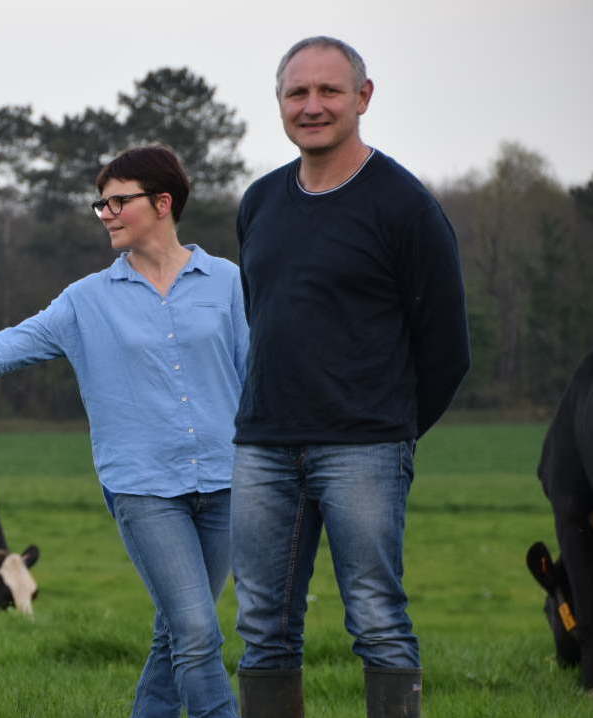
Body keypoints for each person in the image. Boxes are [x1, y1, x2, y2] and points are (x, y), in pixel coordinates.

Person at [0, 144, 248, 718]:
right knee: (196, 630)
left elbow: (257, 374)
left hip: (226, 481)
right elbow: (8, 345)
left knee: (178, 632)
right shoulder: (86, 300)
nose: (106, 213)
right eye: (101, 204)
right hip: (144, 488)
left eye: (118, 201)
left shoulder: (229, 284)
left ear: (163, 203)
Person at [230, 36, 470, 718]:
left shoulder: (403, 206)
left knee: (375, 617)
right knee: (261, 626)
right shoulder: (259, 202)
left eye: (328, 91)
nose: (311, 106)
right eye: (296, 93)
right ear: (279, 103)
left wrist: (387, 430)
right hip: (262, 446)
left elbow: (447, 347)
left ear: (362, 98)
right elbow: (263, 317)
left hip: (363, 448)